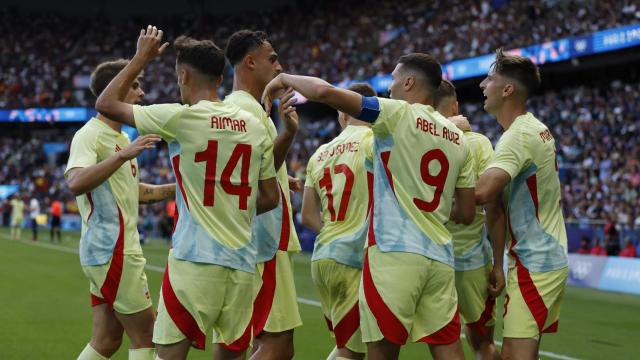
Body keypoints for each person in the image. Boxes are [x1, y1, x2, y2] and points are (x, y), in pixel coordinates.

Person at [263, 53, 476, 360]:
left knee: (376, 353)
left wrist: (284, 79)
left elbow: (324, 92)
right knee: (449, 351)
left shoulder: (396, 113)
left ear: (409, 82)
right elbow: (466, 213)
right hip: (440, 257)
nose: (388, 86)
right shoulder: (458, 137)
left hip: (393, 255)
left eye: (392, 78)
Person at [95, 26, 280, 360]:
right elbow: (270, 198)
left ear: (183, 75)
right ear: (221, 79)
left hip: (194, 261)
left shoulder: (180, 118)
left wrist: (141, 58)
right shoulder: (255, 124)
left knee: (168, 355)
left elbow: (106, 103)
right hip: (241, 264)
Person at [66, 58, 176, 360]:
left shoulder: (121, 138)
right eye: (135, 85)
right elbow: (75, 182)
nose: (141, 94)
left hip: (111, 250)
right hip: (113, 251)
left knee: (106, 339)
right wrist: (121, 156)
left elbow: (135, 192)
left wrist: (179, 189)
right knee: (146, 336)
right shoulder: (90, 134)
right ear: (116, 89)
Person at [474, 49, 568, 360]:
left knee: (516, 355)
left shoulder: (518, 136)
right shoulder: (531, 128)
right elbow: (498, 204)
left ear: (508, 89)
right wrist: (499, 264)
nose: (482, 86)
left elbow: (483, 192)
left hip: (536, 261)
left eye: (490, 79)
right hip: (535, 257)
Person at [221, 29, 302, 358]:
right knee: (276, 343)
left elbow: (256, 169)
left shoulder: (231, 108)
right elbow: (263, 168)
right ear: (250, 62)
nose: (279, 65)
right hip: (264, 242)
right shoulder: (254, 113)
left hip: (246, 240)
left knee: (253, 343)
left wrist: (286, 176)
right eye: (272, 58)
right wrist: (289, 134)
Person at [302, 83, 377, 360]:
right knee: (352, 351)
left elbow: (307, 216)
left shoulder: (319, 153)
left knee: (350, 346)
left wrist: (335, 233)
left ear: (343, 114)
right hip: (355, 259)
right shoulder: (374, 141)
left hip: (323, 257)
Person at [434, 79, 499, 360]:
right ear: (455, 106)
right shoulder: (478, 143)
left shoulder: (413, 139)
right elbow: (494, 203)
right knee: (482, 343)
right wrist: (499, 262)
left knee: (440, 342)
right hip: (470, 258)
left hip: (429, 257)